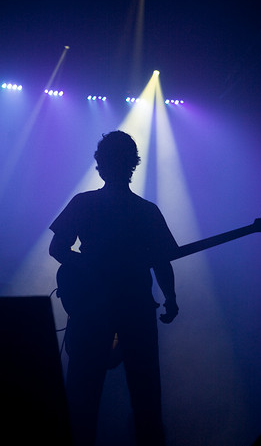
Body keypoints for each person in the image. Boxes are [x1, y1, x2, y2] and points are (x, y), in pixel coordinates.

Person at [49, 130, 179, 446]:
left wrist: (86, 267)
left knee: (83, 394)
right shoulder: (146, 211)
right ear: (132, 165)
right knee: (145, 396)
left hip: (95, 310)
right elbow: (163, 261)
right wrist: (171, 299)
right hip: (134, 309)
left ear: (101, 165)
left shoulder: (85, 203)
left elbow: (58, 249)